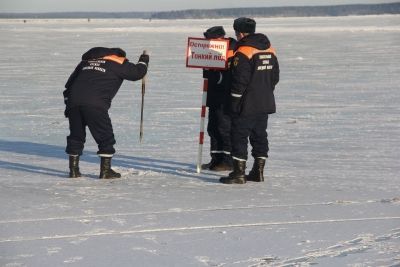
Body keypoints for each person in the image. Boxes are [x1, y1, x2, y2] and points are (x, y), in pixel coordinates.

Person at [63, 47, 149, 179]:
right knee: (105, 136)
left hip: (73, 102)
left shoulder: (85, 62)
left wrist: (68, 103)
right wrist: (144, 61)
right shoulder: (117, 61)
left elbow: (69, 84)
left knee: (76, 135)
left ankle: (73, 171)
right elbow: (137, 74)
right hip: (95, 104)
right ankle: (105, 171)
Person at [220, 17, 280, 184]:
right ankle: (258, 172)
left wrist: (234, 100)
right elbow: (275, 77)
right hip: (265, 101)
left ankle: (239, 173)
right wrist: (265, 91)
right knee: (259, 135)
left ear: (239, 33)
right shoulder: (270, 49)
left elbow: (240, 80)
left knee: (239, 135)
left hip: (246, 103)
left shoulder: (244, 51)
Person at [201, 26, 237, 171]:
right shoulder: (210, 51)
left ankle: (228, 161)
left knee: (224, 128)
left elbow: (230, 74)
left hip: (226, 97)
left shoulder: (232, 49)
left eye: (210, 40)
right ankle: (216, 158)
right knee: (213, 128)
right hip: (213, 95)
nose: (208, 43)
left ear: (220, 38)